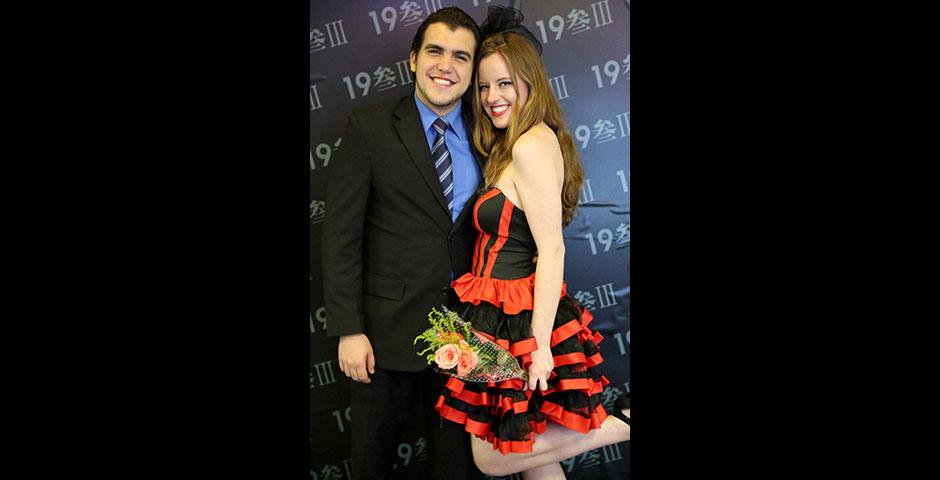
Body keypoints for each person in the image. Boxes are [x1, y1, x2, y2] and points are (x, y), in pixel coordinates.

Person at [432, 7, 630, 478]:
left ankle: (624, 421)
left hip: (521, 319)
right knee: (532, 461)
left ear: (529, 83)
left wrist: (539, 345)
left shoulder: (530, 144)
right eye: (484, 86)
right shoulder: (511, 142)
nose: (492, 97)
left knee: (491, 455)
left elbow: (552, 249)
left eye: (505, 83)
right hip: (496, 310)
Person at [322, 7, 485, 480]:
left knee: (459, 468)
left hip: (466, 337)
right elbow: (341, 237)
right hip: (382, 337)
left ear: (473, 70)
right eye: (435, 51)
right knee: (373, 464)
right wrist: (349, 330)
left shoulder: (488, 134)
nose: (446, 66)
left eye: (461, 56)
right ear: (413, 59)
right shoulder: (369, 127)